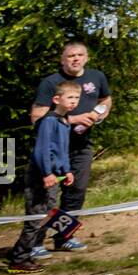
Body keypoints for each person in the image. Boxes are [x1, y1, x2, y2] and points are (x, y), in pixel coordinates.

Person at [28, 41, 111, 256]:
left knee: (77, 192)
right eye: (71, 55)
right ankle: (35, 243)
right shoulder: (51, 83)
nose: (75, 59)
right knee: (47, 197)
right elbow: (36, 118)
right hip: (54, 150)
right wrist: (72, 119)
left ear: (87, 57)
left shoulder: (96, 77)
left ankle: (63, 237)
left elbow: (106, 98)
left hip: (82, 146)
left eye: (80, 55)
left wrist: (100, 114)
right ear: (62, 60)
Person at [6, 81, 80, 274]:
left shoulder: (64, 122)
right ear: (57, 99)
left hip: (55, 175)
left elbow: (62, 151)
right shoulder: (49, 121)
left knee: (47, 212)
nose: (74, 101)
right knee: (35, 217)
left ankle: (25, 252)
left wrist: (67, 170)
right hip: (41, 174)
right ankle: (19, 259)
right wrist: (46, 173)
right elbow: (42, 150)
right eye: (70, 97)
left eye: (77, 98)